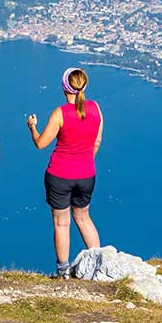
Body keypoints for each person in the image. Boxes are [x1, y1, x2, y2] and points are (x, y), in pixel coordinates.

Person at [27, 67, 103, 278]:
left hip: (60, 175)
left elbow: (41, 143)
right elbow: (97, 141)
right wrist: (85, 161)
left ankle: (63, 271)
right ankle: (97, 264)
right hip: (87, 173)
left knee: (62, 223)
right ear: (84, 85)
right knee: (84, 217)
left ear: (64, 87)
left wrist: (32, 127)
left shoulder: (60, 113)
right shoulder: (95, 108)